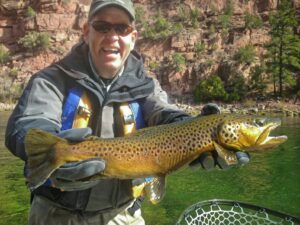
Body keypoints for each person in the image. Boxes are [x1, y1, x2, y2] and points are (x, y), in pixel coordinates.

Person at [5, 0, 250, 224]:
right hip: (55, 214)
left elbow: (168, 115)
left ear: (133, 38)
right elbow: (31, 124)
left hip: (123, 215)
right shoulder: (52, 79)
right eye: (102, 26)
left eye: (121, 29)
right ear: (86, 32)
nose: (112, 36)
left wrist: (200, 132)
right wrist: (52, 153)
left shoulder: (146, 86)